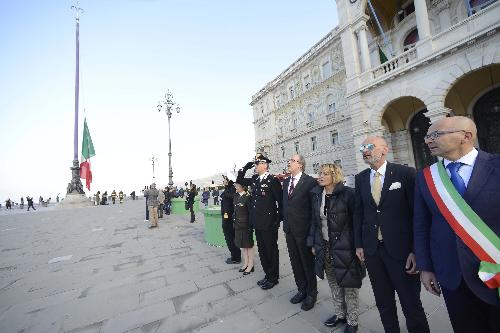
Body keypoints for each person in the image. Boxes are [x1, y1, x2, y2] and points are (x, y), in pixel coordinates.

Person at [413, 116, 500, 333]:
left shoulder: (496, 165)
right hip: (452, 274)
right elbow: (422, 225)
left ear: (466, 136)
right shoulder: (426, 177)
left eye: (436, 135)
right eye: (427, 135)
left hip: (495, 268)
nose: (428, 140)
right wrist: (426, 267)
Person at [354, 136, 429, 333]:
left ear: (384, 149)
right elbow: (359, 213)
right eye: (363, 147)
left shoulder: (405, 173)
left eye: (370, 146)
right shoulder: (361, 178)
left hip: (402, 253)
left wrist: (416, 250)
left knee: (411, 303)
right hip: (372, 251)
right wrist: (359, 244)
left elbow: (417, 215)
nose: (365, 150)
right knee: (383, 301)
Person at [309, 163, 365, 333]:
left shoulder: (348, 194)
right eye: (319, 173)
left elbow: (357, 222)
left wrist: (358, 246)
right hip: (324, 247)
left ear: (335, 175)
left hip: (345, 248)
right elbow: (315, 222)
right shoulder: (317, 195)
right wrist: (313, 243)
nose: (320, 176)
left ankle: (353, 321)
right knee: (333, 283)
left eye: (325, 173)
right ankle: (340, 315)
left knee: (349, 286)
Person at [237, 153, 283, 290]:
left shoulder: (272, 180)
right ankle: (267, 275)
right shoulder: (255, 179)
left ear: (264, 165)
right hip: (257, 222)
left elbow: (280, 202)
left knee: (271, 250)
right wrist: (245, 167)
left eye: (257, 164)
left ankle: (273, 278)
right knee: (262, 251)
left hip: (269, 223)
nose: (255, 166)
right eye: (255, 163)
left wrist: (278, 220)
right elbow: (240, 180)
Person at [282, 154, 318, 311]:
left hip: (304, 232)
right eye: (289, 160)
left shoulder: (309, 182)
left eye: (292, 160)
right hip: (290, 230)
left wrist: (312, 234)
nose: (289, 162)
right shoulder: (286, 182)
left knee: (307, 263)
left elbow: (313, 210)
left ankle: (311, 293)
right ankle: (301, 289)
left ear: (301, 165)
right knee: (295, 262)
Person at [233, 181, 254, 275]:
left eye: (237, 185)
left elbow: (251, 213)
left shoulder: (248, 197)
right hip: (238, 225)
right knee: (242, 245)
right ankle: (246, 263)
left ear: (243, 187)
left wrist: (250, 226)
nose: (235, 187)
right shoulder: (236, 196)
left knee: (248, 245)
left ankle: (251, 265)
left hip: (246, 226)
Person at [221, 175, 241, 264]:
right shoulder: (227, 189)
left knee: (231, 238)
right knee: (229, 238)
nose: (223, 182)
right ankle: (234, 256)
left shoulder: (232, 189)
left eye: (224, 180)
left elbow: (234, 197)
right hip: (226, 217)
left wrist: (225, 193)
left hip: (229, 219)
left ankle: (236, 258)